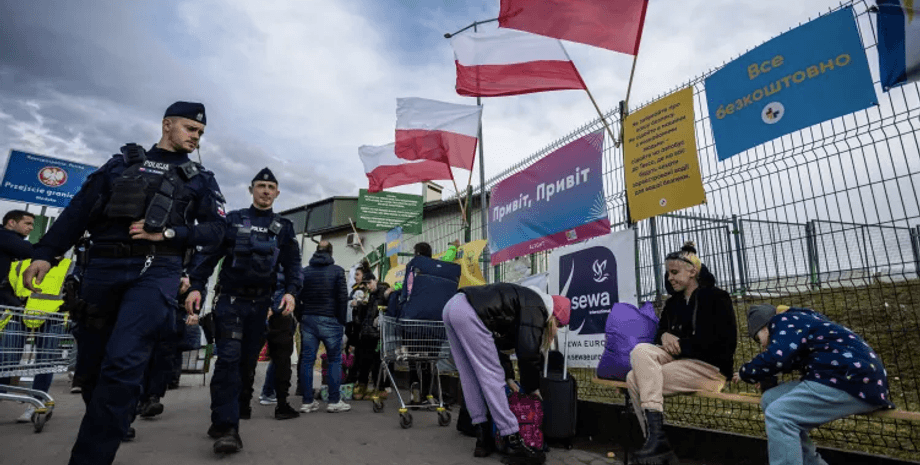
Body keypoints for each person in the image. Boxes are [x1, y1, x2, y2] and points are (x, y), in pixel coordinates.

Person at [21, 101, 226, 465]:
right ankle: (114, 415)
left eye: (200, 133)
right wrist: (46, 252)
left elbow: (216, 230)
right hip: (100, 269)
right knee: (91, 370)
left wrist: (168, 232)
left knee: (122, 364)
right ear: (167, 125)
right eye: (190, 129)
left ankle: (90, 457)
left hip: (155, 273)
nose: (196, 137)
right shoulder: (122, 164)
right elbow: (79, 210)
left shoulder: (200, 178)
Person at [186, 167, 303, 454]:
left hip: (261, 306)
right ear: (251, 189)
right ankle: (227, 427)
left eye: (270, 187)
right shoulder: (233, 220)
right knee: (227, 360)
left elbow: (293, 266)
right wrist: (196, 285)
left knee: (245, 364)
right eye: (260, 185)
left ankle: (224, 416)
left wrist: (290, 292)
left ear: (277, 193)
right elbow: (208, 256)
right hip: (230, 302)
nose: (265, 191)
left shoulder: (284, 227)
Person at [733, 304, 894, 465]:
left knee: (779, 415)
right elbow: (787, 360)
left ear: (764, 326)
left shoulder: (782, 321)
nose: (761, 345)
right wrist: (766, 375)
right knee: (771, 399)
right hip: (848, 377)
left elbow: (776, 357)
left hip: (850, 379)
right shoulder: (802, 322)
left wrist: (745, 372)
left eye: (757, 338)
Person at [624, 241, 737, 465]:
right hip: (677, 362)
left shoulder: (717, 298)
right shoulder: (673, 303)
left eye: (675, 272)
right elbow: (659, 339)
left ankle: (656, 444)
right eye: (668, 273)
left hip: (708, 369)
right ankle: (656, 443)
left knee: (634, 379)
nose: (670, 278)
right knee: (639, 351)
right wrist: (664, 335)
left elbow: (724, 344)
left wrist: (683, 345)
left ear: (693, 271)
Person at [442, 282, 570, 464]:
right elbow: (527, 353)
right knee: (491, 376)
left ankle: (482, 438)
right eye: (559, 325)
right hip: (469, 311)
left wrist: (509, 375)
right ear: (554, 316)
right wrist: (532, 388)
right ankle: (513, 441)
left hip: (453, 306)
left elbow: (496, 344)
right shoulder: (537, 307)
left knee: (469, 375)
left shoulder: (524, 299)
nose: (556, 331)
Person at [2, 256, 70, 423]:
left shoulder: (69, 266)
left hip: (53, 317)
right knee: (7, 360)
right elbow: (5, 287)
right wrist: (17, 304)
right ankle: (4, 392)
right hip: (20, 313)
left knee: (44, 363)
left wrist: (64, 308)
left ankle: (36, 403)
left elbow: (76, 290)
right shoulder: (21, 263)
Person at [297, 240, 351, 413]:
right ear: (331, 252)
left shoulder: (305, 272)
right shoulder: (337, 271)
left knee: (307, 360)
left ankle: (307, 402)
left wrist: (301, 317)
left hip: (309, 320)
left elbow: (297, 296)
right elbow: (343, 298)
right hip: (331, 319)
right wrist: (341, 320)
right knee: (335, 359)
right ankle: (334, 401)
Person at [0, 210, 34, 306]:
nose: (31, 228)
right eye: (27, 224)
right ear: (11, 223)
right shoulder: (5, 237)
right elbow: (30, 251)